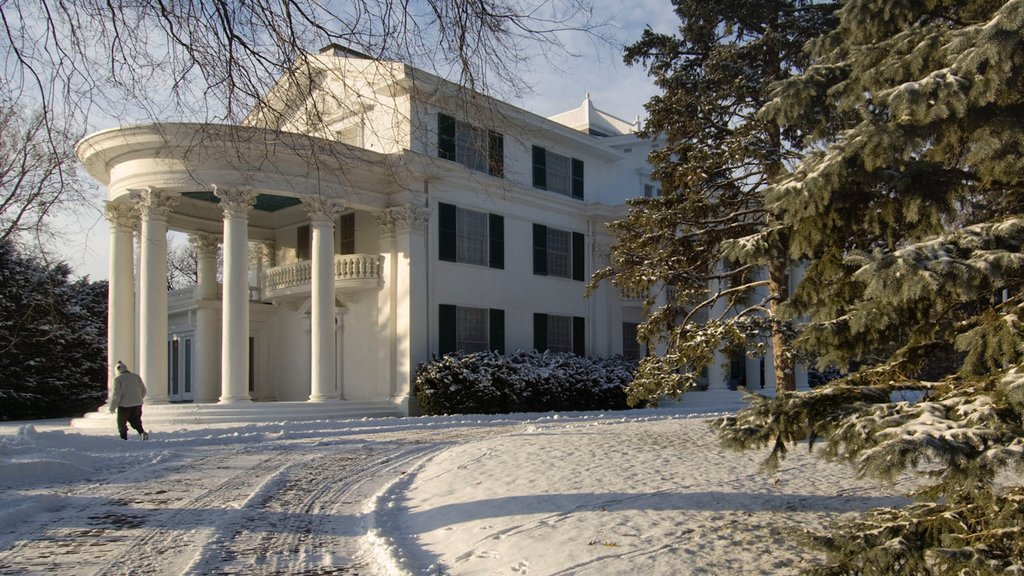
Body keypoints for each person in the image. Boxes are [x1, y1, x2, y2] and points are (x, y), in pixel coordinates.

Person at [109, 361, 149, 440]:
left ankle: (124, 439)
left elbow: (116, 395)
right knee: (136, 420)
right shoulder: (136, 376)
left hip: (124, 405)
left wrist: (112, 407)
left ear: (117, 370)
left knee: (121, 423)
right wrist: (138, 398)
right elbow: (143, 390)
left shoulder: (117, 379)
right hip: (138, 403)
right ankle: (142, 433)